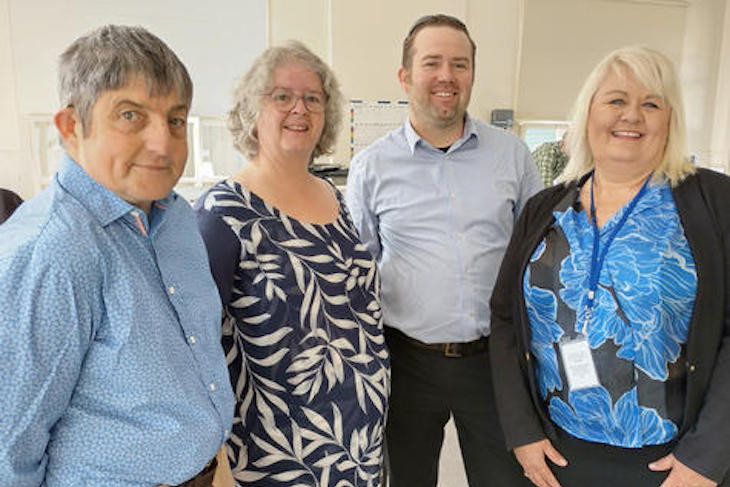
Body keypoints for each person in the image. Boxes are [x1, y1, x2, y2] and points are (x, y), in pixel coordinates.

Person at [0, 25, 234, 486]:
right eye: (130, 115)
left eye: (175, 120)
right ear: (71, 128)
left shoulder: (179, 218)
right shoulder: (51, 252)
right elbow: (9, 449)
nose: (163, 144)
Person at [490, 45, 730, 487]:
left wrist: (710, 454)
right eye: (616, 100)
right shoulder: (546, 208)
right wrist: (521, 430)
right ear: (588, 114)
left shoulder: (716, 203)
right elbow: (506, 318)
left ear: (671, 121)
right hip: (556, 451)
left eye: (651, 103)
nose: (632, 116)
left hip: (673, 462)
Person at [346, 14, 542, 487]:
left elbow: (534, 258)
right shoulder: (371, 167)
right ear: (405, 76)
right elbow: (360, 269)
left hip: (492, 361)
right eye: (431, 63)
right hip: (407, 361)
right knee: (409, 479)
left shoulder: (512, 156)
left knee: (504, 479)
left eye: (460, 64)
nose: (446, 76)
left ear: (472, 74)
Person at [195, 41, 389, 487]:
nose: (299, 108)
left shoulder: (333, 198)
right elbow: (191, 344)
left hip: (356, 444)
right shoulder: (223, 212)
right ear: (252, 110)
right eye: (281, 96)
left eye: (312, 98)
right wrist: (212, 458)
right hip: (277, 454)